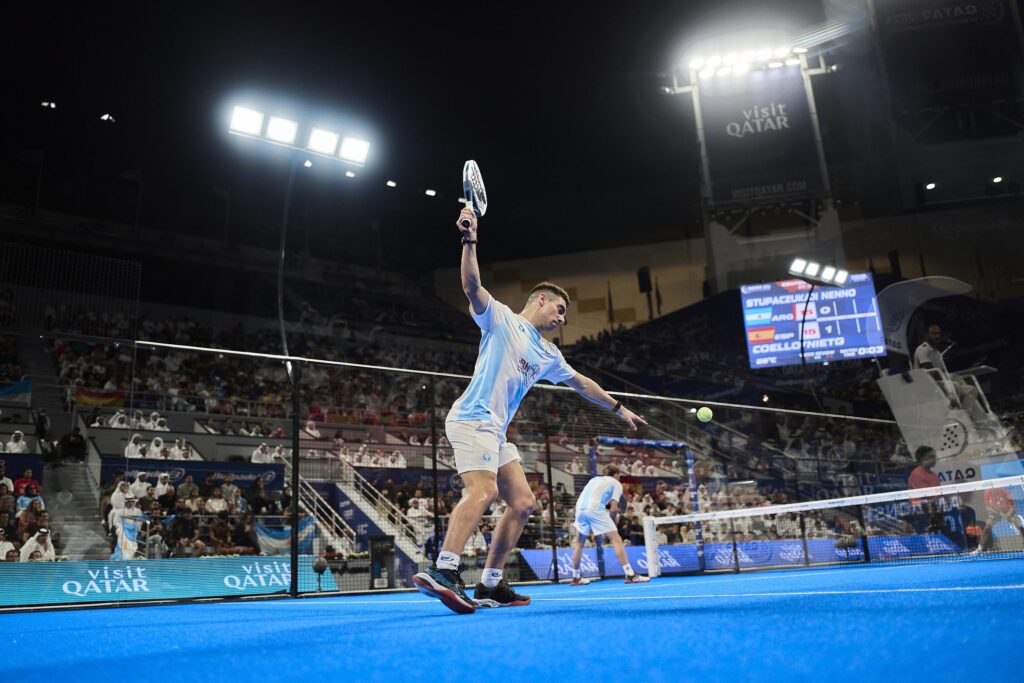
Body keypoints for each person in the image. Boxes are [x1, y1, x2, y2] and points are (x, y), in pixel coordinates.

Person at [412, 206, 647, 615]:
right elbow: (471, 285)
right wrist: (470, 238)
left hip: (496, 431)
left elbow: (582, 383)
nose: (562, 319)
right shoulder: (502, 320)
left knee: (522, 502)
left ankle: (489, 583)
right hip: (472, 418)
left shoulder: (549, 353)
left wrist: (619, 408)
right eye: (560, 310)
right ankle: (444, 569)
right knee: (484, 491)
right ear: (541, 300)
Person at [569, 465, 650, 585]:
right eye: (619, 475)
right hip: (595, 509)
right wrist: (612, 521)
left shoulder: (594, 480)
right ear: (616, 474)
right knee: (616, 539)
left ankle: (576, 577)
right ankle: (630, 575)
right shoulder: (616, 483)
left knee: (579, 544)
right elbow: (613, 508)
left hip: (579, 509)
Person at [914, 324, 989, 426]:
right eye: (934, 334)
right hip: (928, 385)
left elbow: (942, 371)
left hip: (939, 382)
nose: (937, 336)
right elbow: (931, 371)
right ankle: (962, 419)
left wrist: (951, 377)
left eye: (938, 334)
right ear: (927, 335)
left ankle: (970, 418)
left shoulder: (937, 353)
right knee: (956, 386)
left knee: (969, 388)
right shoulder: (923, 349)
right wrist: (947, 380)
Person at [971, 487, 1024, 555]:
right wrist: (998, 513)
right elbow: (988, 507)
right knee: (986, 527)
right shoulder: (987, 492)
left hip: (1007, 511)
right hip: (996, 513)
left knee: (1019, 524)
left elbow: (1013, 506)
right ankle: (979, 549)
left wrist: (1008, 514)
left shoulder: (1003, 491)